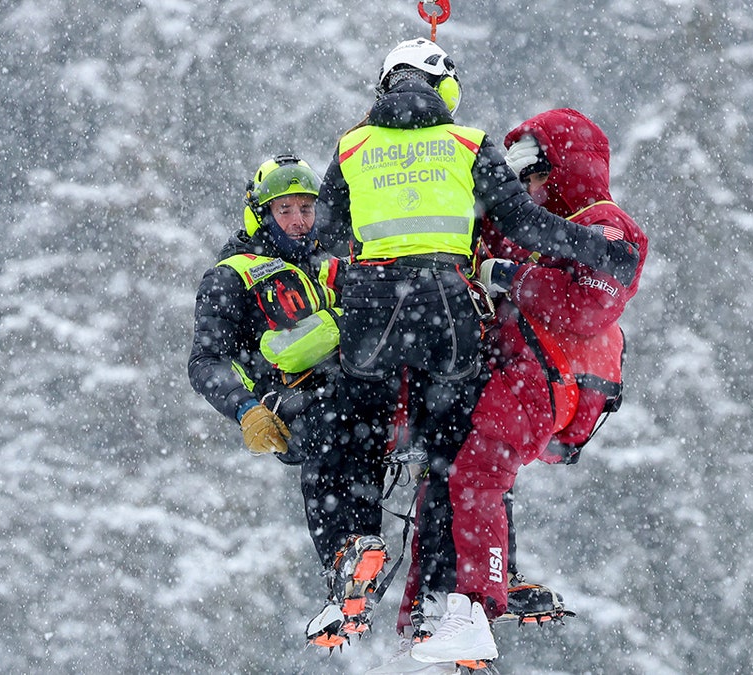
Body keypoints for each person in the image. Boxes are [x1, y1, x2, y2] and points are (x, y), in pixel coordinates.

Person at [312, 37, 641, 667]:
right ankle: (457, 595)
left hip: (372, 313)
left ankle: (354, 545)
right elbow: (521, 221)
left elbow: (328, 229)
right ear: (446, 89)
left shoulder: (354, 146)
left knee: (351, 427)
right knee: (457, 454)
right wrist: (586, 250)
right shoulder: (466, 144)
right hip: (448, 312)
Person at [401, 108, 649, 668]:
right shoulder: (526, 227)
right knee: (454, 468)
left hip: (548, 376)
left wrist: (512, 279)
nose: (530, 189)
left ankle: (474, 607)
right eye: (522, 178)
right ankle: (452, 598)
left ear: (565, 169)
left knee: (477, 475)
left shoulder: (604, 224)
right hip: (516, 371)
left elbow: (588, 304)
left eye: (537, 174)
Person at [186, 153, 390, 651]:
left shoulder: (336, 257)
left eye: (307, 209)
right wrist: (244, 408)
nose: (300, 221)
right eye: (286, 211)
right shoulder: (233, 275)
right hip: (294, 399)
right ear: (261, 214)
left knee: (370, 449)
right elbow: (206, 361)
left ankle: (360, 570)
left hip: (362, 391)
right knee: (330, 441)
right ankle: (340, 559)